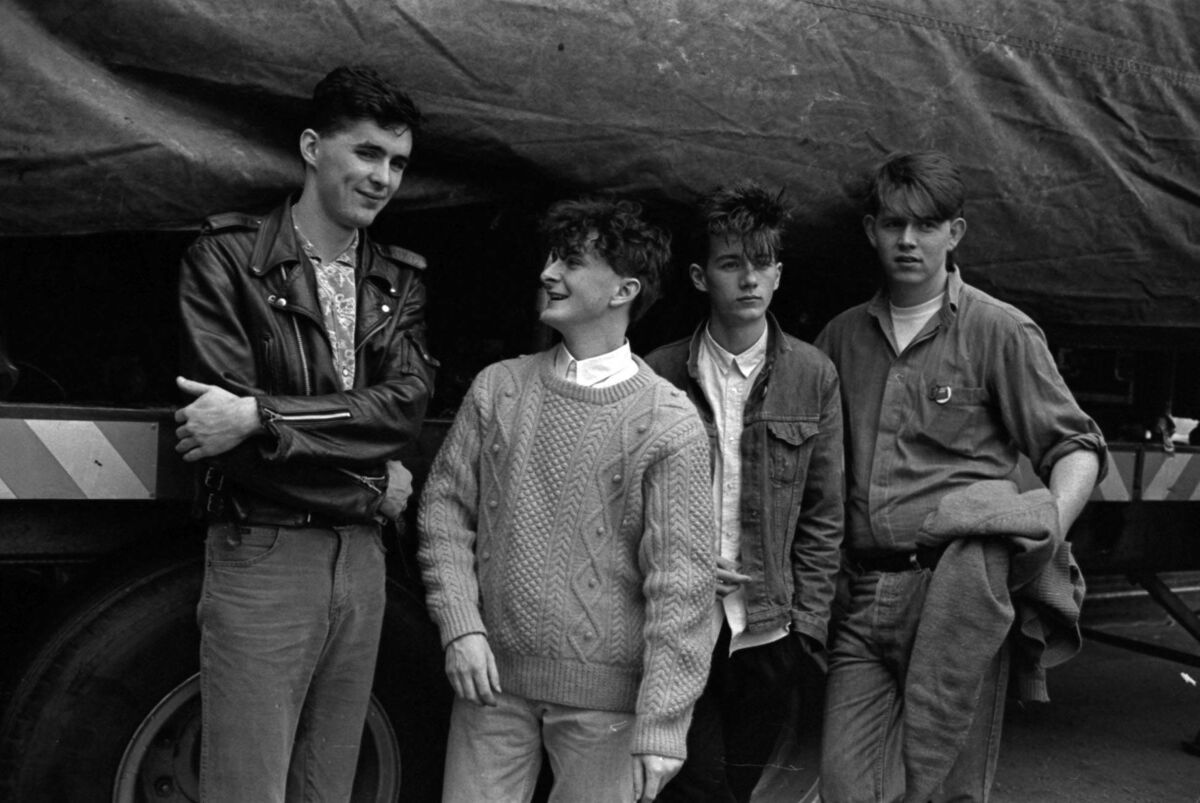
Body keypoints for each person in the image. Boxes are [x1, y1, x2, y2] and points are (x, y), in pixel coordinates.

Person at [174, 65, 435, 801]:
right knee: (245, 788)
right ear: (313, 147)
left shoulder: (399, 280)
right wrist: (373, 478)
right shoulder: (226, 257)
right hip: (265, 549)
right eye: (367, 154)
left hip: (361, 561)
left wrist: (263, 414)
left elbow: (405, 408)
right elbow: (221, 432)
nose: (383, 177)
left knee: (328, 789)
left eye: (397, 163)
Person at [815, 151, 1106, 802]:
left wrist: (1044, 531)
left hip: (956, 593)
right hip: (863, 596)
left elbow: (1075, 445)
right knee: (844, 784)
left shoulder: (999, 330)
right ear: (871, 231)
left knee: (949, 789)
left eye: (926, 225)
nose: (908, 240)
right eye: (893, 224)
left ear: (956, 233)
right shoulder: (840, 339)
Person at [418, 197, 716, 803]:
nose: (548, 273)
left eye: (571, 262)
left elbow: (683, 585)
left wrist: (662, 724)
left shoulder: (669, 423)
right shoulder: (497, 389)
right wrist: (460, 629)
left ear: (623, 290)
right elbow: (443, 513)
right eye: (551, 258)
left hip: (609, 709)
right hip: (489, 686)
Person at [644, 182, 844, 802]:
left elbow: (824, 512)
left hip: (768, 633)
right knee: (695, 782)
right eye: (733, 264)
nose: (749, 279)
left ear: (779, 275)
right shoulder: (659, 372)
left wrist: (806, 627)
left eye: (761, 264)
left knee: (738, 783)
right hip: (682, 621)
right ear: (703, 277)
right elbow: (632, 508)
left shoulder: (812, 374)